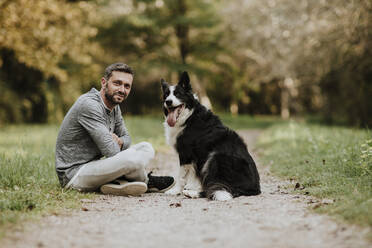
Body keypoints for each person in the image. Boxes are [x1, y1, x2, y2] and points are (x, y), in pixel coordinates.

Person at [55, 63, 175, 196]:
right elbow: (111, 151)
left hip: (95, 165)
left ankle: (118, 183)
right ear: (104, 83)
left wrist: (119, 141)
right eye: (117, 83)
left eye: (127, 86)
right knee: (130, 157)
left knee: (146, 148)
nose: (122, 90)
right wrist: (115, 144)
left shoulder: (114, 107)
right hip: (74, 174)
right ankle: (144, 180)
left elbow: (127, 139)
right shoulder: (89, 105)